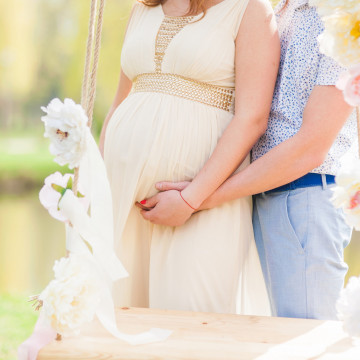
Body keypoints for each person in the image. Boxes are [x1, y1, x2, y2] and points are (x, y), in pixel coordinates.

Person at [141, 0, 357, 320]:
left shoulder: (344, 17)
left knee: (306, 337)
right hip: (265, 194)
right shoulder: (283, 8)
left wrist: (195, 198)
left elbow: (311, 146)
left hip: (305, 196)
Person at [99, 0, 280, 314]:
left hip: (200, 202)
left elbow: (252, 117)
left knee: (190, 320)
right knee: (122, 314)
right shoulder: (143, 8)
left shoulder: (250, 10)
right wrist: (95, 181)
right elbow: (119, 102)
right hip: (124, 198)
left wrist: (191, 199)